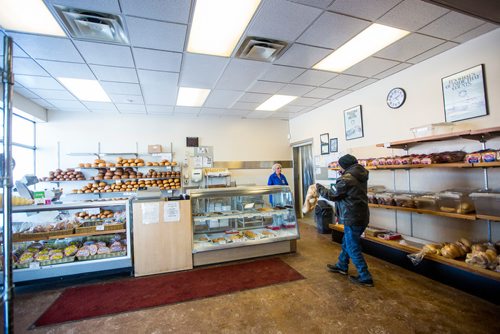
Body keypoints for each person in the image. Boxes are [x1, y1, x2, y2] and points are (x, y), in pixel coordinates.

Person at [316, 154, 373, 287]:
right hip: (361, 216)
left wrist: (318, 188)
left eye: (340, 166)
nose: (339, 168)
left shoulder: (347, 178)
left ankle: (365, 276)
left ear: (344, 165)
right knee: (347, 242)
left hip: (352, 217)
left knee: (353, 247)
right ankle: (342, 266)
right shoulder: (360, 174)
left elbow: (333, 195)